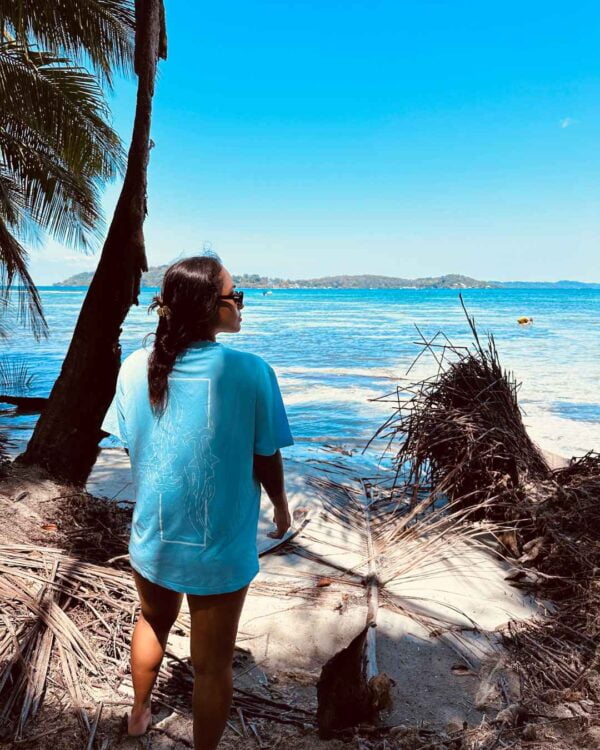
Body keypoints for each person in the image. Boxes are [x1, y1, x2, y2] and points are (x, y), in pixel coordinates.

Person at [101, 254, 294, 749]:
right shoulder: (251, 371)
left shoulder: (133, 368)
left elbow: (134, 446)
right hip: (219, 547)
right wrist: (281, 506)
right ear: (212, 306)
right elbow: (265, 455)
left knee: (152, 621)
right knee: (213, 665)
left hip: (154, 537)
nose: (242, 304)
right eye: (237, 296)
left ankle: (139, 714)